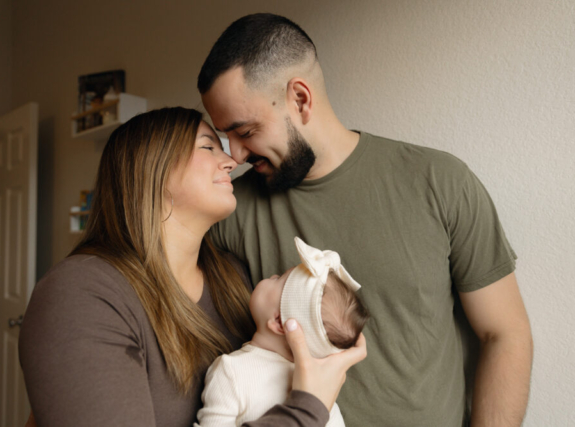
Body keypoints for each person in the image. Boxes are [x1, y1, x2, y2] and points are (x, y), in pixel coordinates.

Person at [198, 13, 533, 427]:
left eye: (245, 131)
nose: (236, 155)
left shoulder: (439, 181)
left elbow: (505, 335)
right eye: (225, 136)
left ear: (300, 100)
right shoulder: (231, 210)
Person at [18, 107, 367, 427]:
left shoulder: (233, 278)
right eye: (208, 147)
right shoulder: (83, 293)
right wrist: (307, 409)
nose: (231, 159)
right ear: (152, 169)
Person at [196, 237, 370, 427]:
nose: (272, 275)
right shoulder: (323, 396)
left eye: (279, 279)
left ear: (279, 321)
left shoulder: (231, 372)